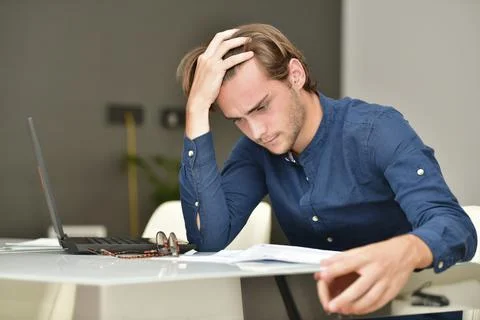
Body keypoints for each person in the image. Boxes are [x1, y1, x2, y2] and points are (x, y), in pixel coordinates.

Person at [176, 23, 477, 318]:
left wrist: (402, 252)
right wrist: (196, 109)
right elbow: (209, 238)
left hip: (408, 309)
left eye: (261, 107)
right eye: (238, 120)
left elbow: (454, 226)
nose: (256, 131)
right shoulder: (256, 152)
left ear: (295, 75)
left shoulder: (376, 131)